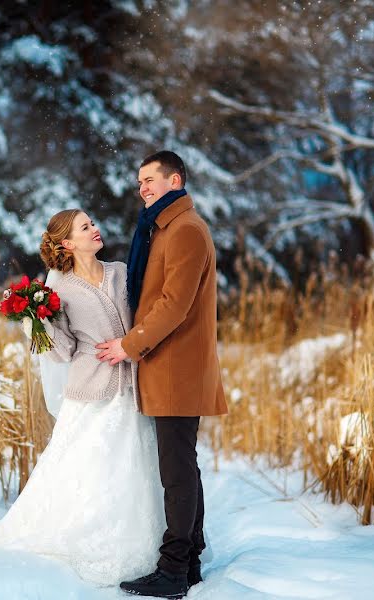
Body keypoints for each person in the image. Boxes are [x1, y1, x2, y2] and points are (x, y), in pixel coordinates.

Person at [0, 208, 165, 586]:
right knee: (90, 472)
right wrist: (38, 321)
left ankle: (152, 551)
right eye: (86, 227)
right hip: (91, 391)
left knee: (135, 470)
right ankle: (83, 543)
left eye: (93, 223)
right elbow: (63, 352)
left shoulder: (120, 272)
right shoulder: (59, 289)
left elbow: (144, 318)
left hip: (132, 387)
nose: (95, 229)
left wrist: (131, 345)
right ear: (67, 242)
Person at [96, 151, 227, 598]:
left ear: (175, 180)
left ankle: (172, 571)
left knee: (175, 470)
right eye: (140, 182)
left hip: (176, 367)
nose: (142, 188)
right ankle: (188, 559)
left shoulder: (186, 231)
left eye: (150, 179)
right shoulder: (165, 228)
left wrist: (128, 345)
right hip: (170, 365)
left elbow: (174, 303)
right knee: (182, 464)